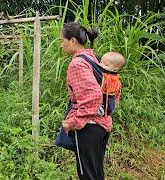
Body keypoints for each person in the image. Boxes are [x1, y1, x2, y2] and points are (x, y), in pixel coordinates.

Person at [59, 22, 124, 180]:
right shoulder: (93, 58)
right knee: (96, 173)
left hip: (88, 128)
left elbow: (93, 97)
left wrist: (73, 122)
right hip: (102, 125)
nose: (61, 45)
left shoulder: (78, 63)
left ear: (73, 41)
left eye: (62, 40)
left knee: (87, 175)